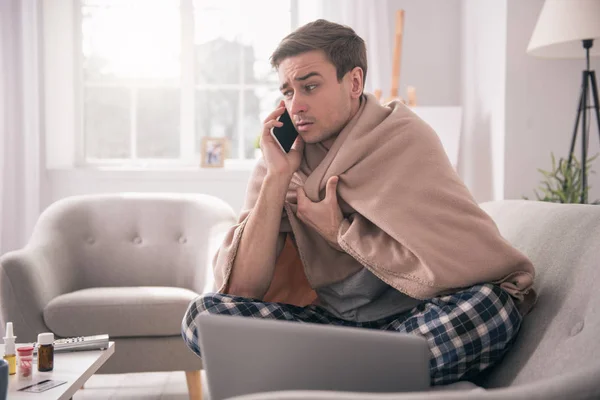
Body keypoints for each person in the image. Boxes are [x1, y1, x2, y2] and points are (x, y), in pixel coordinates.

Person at [182, 19, 536, 386]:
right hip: (336, 329)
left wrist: (339, 233)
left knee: (491, 308)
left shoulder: (401, 137)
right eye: (287, 92)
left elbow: (464, 265)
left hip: (419, 317)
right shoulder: (283, 160)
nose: (296, 106)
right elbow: (241, 290)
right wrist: (277, 177)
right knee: (204, 317)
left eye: (310, 86)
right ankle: (373, 374)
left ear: (353, 82)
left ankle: (328, 376)